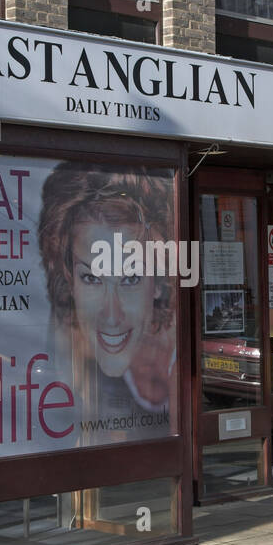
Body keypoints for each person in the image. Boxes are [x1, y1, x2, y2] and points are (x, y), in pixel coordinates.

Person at [38, 164, 176, 441]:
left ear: (158, 282)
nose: (111, 315)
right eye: (91, 278)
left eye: (130, 279)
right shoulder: (69, 331)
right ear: (69, 278)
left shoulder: (185, 344)